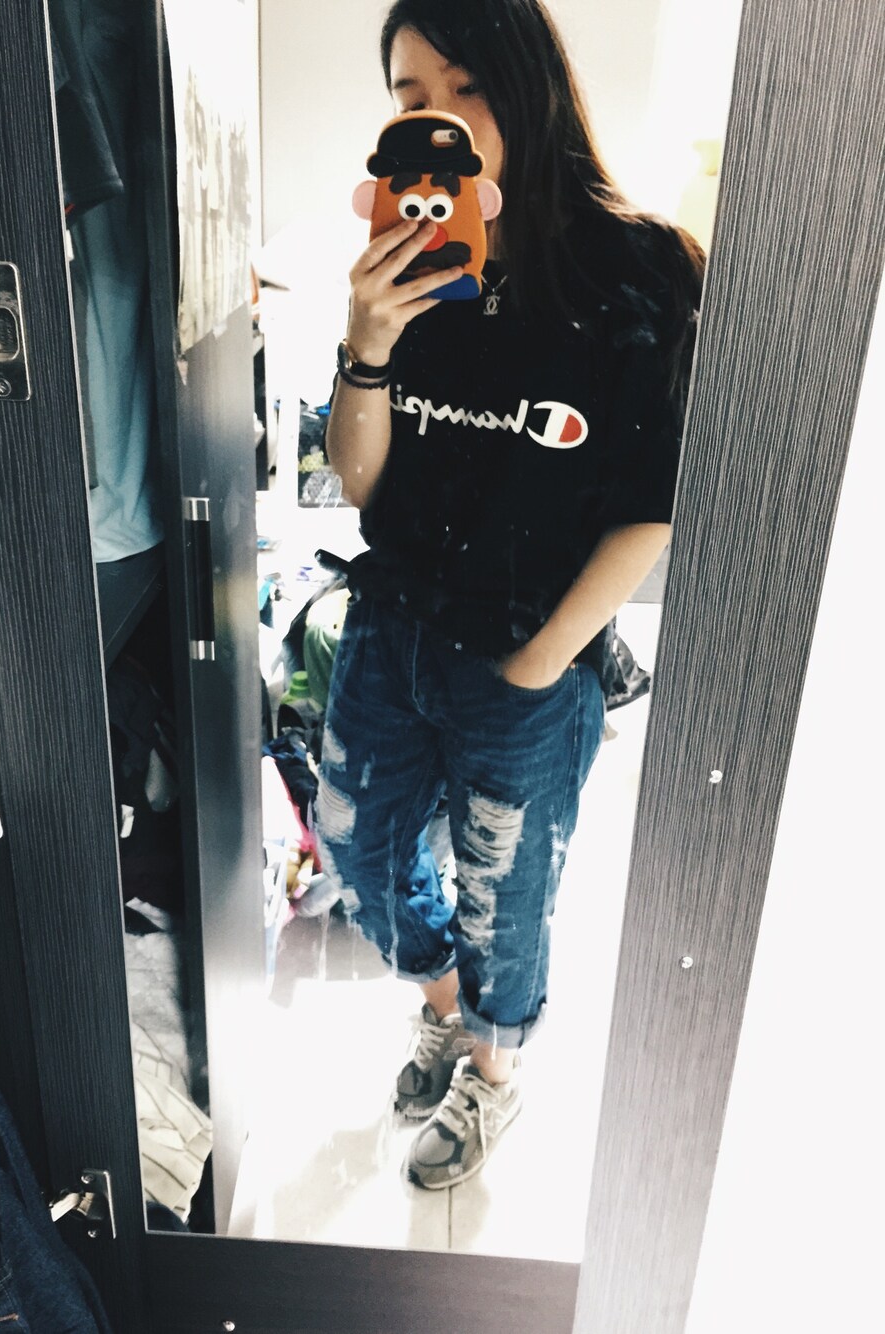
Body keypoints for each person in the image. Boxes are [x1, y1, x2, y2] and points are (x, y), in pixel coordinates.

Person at [316, 0, 704, 1190]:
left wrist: (540, 662)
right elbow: (357, 479)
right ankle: (442, 1006)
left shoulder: (640, 267)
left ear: (529, 83)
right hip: (389, 629)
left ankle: (494, 1068)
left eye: (466, 84)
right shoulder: (407, 265)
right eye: (409, 95)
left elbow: (657, 501)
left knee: (507, 892)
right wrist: (366, 343)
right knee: (359, 850)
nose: (436, 118)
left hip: (526, 660)